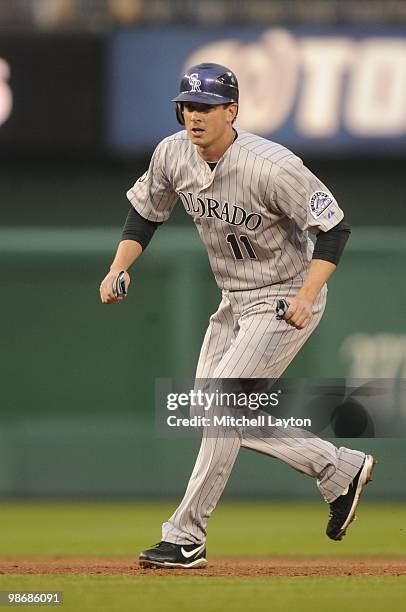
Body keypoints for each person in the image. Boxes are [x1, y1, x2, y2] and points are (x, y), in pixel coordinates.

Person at [99, 63, 376, 569]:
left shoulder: (272, 165)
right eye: (187, 106)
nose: (194, 115)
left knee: (223, 404)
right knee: (215, 412)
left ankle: (185, 534)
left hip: (284, 294)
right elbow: (145, 212)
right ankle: (338, 467)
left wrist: (308, 295)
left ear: (233, 110)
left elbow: (333, 228)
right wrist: (118, 267)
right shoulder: (172, 152)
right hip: (234, 300)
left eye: (206, 107)